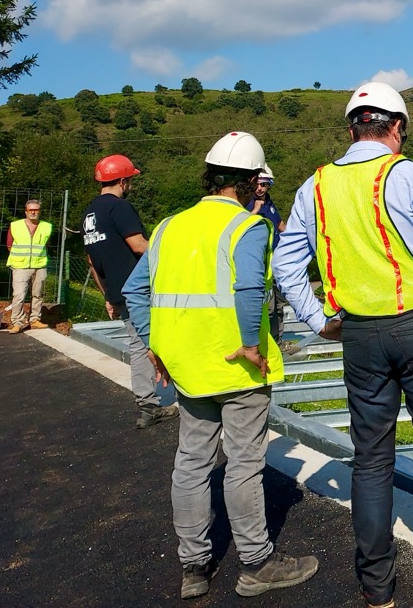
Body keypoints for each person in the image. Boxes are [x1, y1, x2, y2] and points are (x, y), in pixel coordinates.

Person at [274, 82, 413, 607]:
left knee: (370, 460)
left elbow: (285, 263)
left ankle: (377, 585)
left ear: (352, 130)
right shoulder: (412, 175)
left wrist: (321, 320)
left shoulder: (316, 186)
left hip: (360, 335)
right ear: (397, 128)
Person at [122, 131, 318, 601]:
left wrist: (154, 346)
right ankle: (256, 564)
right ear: (252, 181)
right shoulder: (247, 227)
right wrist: (252, 344)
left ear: (210, 176)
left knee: (192, 463)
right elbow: (250, 289)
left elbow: (133, 292)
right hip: (236, 366)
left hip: (186, 367)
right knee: (244, 464)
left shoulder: (168, 227)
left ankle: (194, 568)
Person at [83, 154, 178, 429]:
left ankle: (150, 402)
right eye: (131, 180)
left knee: (140, 344)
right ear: (123, 181)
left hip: (117, 291)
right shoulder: (120, 208)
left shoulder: (89, 214)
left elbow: (92, 262)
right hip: (141, 289)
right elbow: (138, 245)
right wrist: (174, 255)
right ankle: (152, 404)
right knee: (149, 344)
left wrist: (107, 296)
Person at [246, 165, 294, 353]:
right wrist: (255, 211)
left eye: (264, 184)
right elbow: (239, 226)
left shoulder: (269, 203)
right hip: (259, 263)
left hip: (276, 261)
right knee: (269, 307)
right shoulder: (248, 203)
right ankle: (265, 344)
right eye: (258, 184)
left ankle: (278, 342)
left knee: (279, 305)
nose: (260, 188)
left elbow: (280, 225)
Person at [5, 199, 53, 333]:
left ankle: (35, 320)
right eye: (30, 210)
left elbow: (47, 244)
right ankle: (17, 322)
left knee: (38, 294)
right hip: (20, 266)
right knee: (19, 295)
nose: (33, 212)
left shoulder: (47, 226)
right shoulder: (15, 225)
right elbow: (9, 245)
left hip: (40, 265)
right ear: (26, 212)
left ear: (40, 211)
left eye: (36, 210)